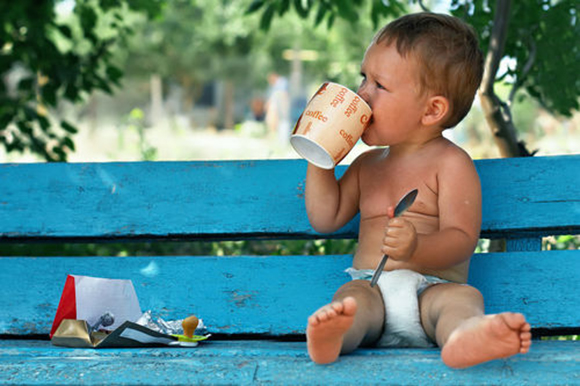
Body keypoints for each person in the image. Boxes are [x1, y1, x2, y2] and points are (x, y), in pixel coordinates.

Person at [304, 12, 532, 369]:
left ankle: (462, 336)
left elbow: (461, 238)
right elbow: (325, 217)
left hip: (433, 289)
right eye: (364, 78)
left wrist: (416, 247)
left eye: (379, 85)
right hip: (373, 286)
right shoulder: (367, 165)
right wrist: (321, 155)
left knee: (462, 299)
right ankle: (337, 336)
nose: (362, 94)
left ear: (432, 110)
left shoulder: (452, 164)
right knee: (351, 300)